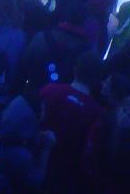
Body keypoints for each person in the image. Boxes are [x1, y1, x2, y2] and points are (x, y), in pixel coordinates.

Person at [39, 51, 103, 193]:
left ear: (75, 69)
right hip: (66, 175)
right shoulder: (96, 113)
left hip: (35, 161)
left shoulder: (50, 90)